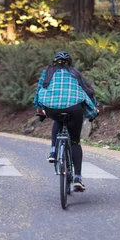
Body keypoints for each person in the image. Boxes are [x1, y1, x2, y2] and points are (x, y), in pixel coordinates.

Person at [33, 51, 99, 192]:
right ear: (70, 63)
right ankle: (77, 178)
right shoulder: (75, 73)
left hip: (51, 107)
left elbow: (39, 90)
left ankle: (52, 152)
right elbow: (88, 91)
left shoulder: (48, 72)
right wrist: (94, 106)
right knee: (75, 142)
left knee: (57, 119)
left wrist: (39, 108)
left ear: (54, 62)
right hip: (74, 108)